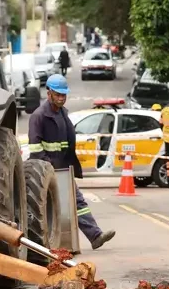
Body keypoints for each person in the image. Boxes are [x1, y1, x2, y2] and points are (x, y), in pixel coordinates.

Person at [28, 74, 116, 250]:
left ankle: (95, 236)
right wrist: (49, 168)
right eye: (58, 94)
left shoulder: (63, 114)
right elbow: (36, 149)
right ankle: (44, 246)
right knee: (47, 208)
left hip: (63, 170)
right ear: (49, 93)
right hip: (46, 172)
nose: (62, 98)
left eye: (64, 95)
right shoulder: (39, 116)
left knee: (78, 202)